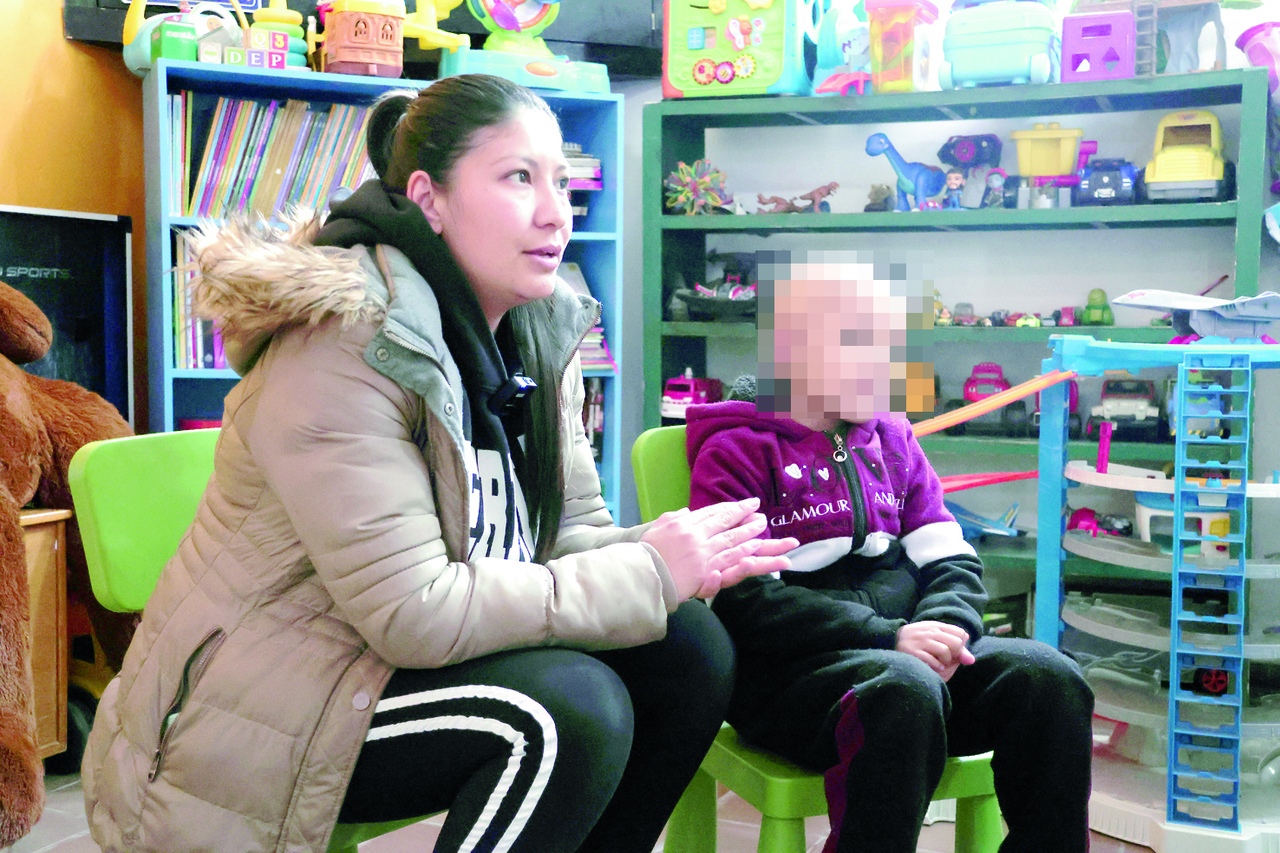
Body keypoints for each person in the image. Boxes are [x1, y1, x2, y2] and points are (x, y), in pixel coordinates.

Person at [81, 74, 796, 853]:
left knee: (687, 645)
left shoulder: (534, 333)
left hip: (378, 666)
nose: (555, 211)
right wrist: (650, 571)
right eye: (518, 178)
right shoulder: (345, 344)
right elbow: (413, 610)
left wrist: (670, 554)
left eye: (561, 179)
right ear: (429, 198)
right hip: (260, 707)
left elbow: (564, 537)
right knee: (566, 711)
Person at [685, 250, 1094, 853]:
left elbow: (949, 556)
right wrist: (887, 636)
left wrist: (945, 629)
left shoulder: (893, 436)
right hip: (795, 685)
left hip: (912, 662)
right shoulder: (738, 452)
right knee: (903, 689)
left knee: (1052, 679)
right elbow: (744, 602)